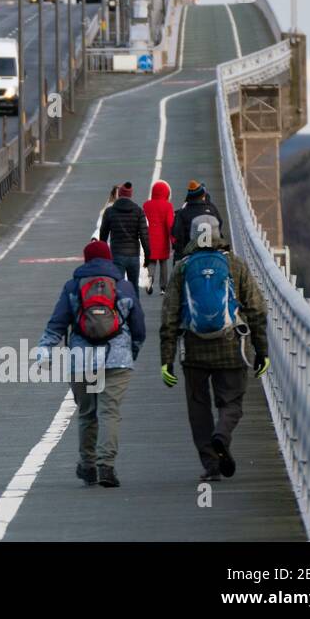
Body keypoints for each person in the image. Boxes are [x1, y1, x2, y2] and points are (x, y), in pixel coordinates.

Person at [160, 215, 270, 482]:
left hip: (194, 351)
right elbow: (256, 309)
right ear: (219, 233)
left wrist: (167, 360)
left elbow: (169, 317)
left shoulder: (183, 267)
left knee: (198, 409)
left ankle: (211, 464)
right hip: (231, 346)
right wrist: (261, 350)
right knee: (231, 401)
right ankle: (222, 434)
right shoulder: (236, 265)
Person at [37, 240, 146, 489]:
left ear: (85, 260)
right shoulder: (123, 286)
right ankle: (106, 465)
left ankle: (88, 465)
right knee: (109, 412)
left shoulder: (73, 286)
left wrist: (44, 349)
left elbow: (57, 323)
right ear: (109, 259)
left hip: (82, 358)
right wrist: (133, 350)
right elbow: (138, 325)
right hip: (117, 357)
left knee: (87, 413)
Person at [98, 181, 149, 285]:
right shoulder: (138, 211)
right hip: (133, 255)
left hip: (117, 254)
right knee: (134, 288)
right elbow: (144, 236)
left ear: (119, 194)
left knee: (117, 287)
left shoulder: (109, 211)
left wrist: (103, 256)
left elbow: (103, 235)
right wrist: (148, 257)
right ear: (130, 195)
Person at [170, 180, 223, 262]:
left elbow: (177, 234)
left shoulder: (183, 213)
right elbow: (219, 224)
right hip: (212, 253)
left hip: (190, 255)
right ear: (203, 195)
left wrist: (178, 254)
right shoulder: (212, 209)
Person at [143, 180, 176, 295]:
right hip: (162, 239)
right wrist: (173, 239)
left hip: (149, 239)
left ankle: (150, 278)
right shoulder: (168, 206)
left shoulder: (146, 205)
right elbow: (169, 224)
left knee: (151, 262)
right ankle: (163, 287)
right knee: (163, 263)